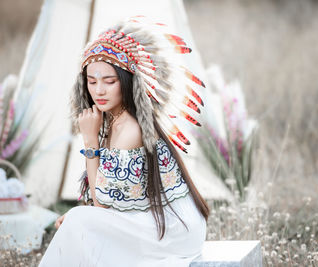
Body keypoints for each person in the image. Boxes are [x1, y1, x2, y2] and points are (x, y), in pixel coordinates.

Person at [38, 16, 210, 267]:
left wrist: (89, 140)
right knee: (77, 222)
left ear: (127, 81)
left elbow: (102, 203)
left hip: (174, 230)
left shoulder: (131, 128)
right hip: (148, 218)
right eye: (92, 81)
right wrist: (84, 217)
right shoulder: (112, 121)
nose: (99, 91)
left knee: (78, 221)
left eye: (109, 81)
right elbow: (111, 200)